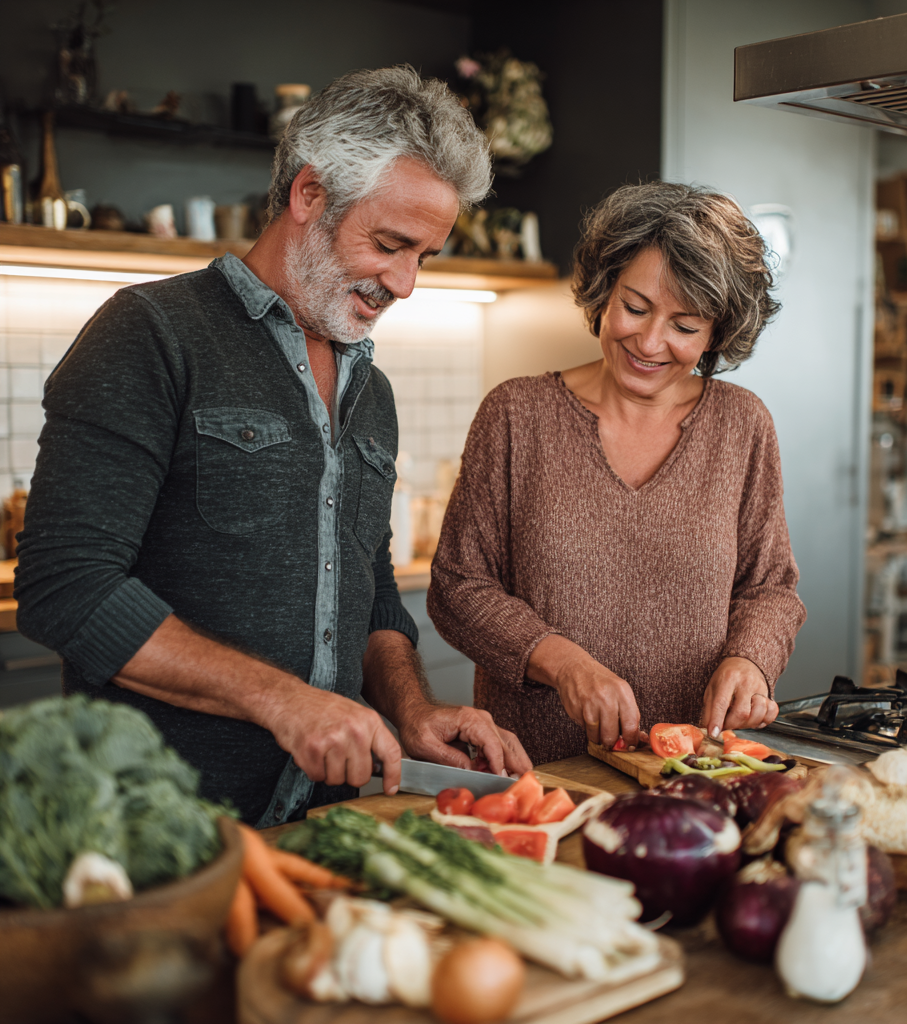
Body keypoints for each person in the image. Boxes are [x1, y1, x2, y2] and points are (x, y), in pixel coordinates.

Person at [15, 66, 531, 827]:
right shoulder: (150, 335)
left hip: (325, 818)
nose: (408, 281)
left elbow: (368, 583)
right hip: (162, 821)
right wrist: (283, 703)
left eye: (425, 255)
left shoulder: (370, 390)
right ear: (309, 195)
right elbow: (66, 587)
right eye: (391, 244)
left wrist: (410, 707)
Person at [427, 181, 807, 766]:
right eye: (634, 307)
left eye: (685, 326)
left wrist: (750, 659)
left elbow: (770, 587)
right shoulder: (516, 414)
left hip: (693, 769)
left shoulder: (741, 425)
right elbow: (457, 588)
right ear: (605, 290)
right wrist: (562, 663)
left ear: (716, 333)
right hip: (537, 771)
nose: (650, 341)